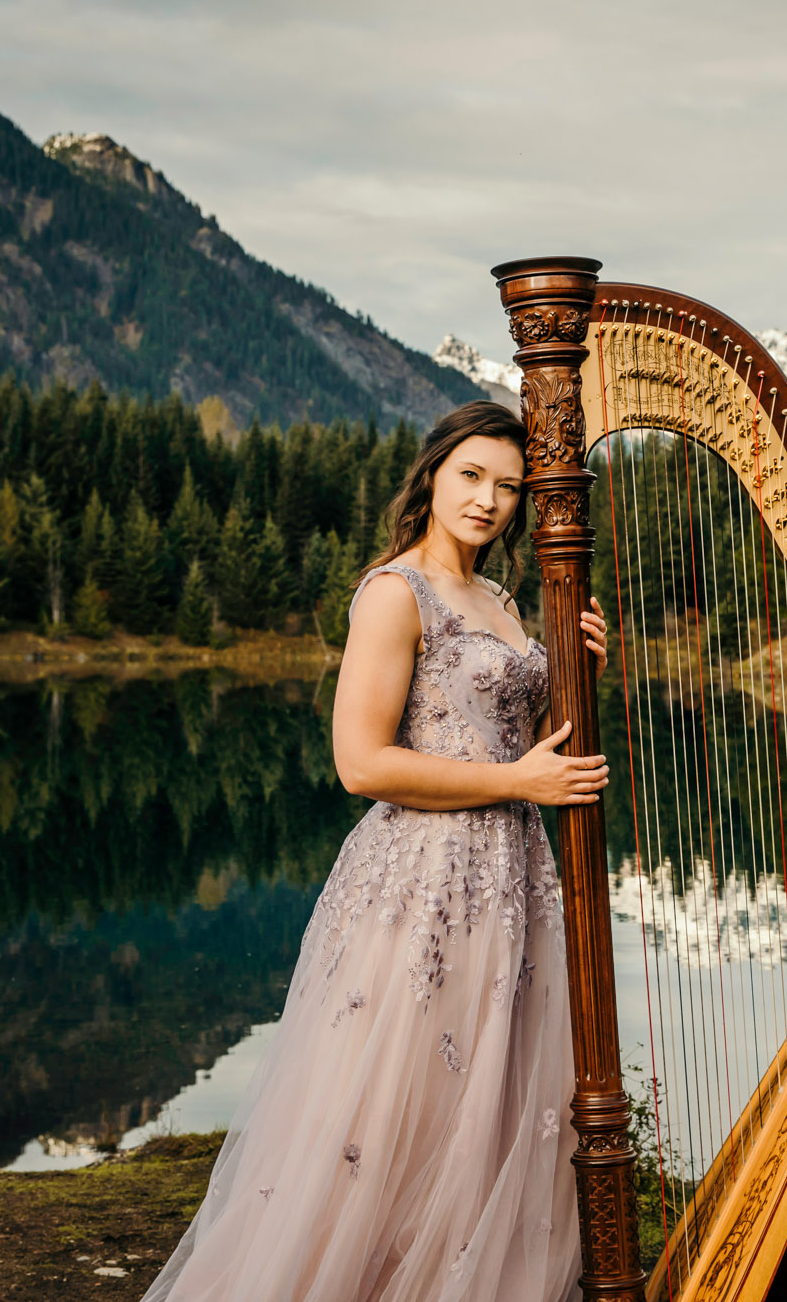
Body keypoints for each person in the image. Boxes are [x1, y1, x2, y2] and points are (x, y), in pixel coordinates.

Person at [143, 401, 608, 1302]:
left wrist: (585, 665)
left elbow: (525, 734)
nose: (490, 500)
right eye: (472, 476)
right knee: (402, 1092)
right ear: (432, 474)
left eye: (509, 487)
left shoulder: (504, 598)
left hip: (512, 868)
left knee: (488, 1083)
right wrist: (519, 784)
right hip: (425, 877)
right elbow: (361, 763)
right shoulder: (397, 593)